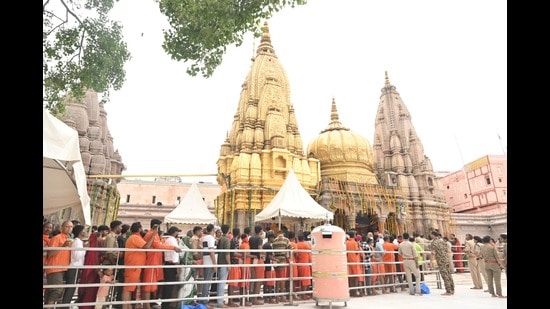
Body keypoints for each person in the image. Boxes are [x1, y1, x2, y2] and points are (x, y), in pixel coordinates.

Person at [142, 219, 183, 309]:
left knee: (151, 284)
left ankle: (148, 304)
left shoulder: (154, 234)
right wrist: (173, 247)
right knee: (148, 284)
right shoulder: (152, 234)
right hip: (152, 261)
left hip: (154, 261)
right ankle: (146, 305)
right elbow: (157, 246)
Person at [122, 222, 155, 309]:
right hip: (133, 266)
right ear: (139, 229)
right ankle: (125, 307)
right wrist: (153, 235)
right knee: (128, 288)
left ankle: (127, 306)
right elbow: (146, 246)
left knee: (129, 288)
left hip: (135, 265)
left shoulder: (135, 237)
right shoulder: (135, 237)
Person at [44, 220, 74, 305]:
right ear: (62, 227)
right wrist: (63, 246)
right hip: (54, 267)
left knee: (52, 291)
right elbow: (50, 253)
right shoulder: (57, 238)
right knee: (56, 290)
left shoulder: (69, 239)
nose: (69, 228)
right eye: (67, 226)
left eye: (71, 227)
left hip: (63, 268)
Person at [62, 224, 87, 304]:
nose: (85, 232)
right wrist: (84, 250)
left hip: (76, 267)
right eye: (84, 230)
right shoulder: (77, 242)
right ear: (80, 232)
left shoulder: (79, 242)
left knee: (72, 288)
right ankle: (65, 305)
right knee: (70, 288)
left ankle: (66, 304)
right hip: (74, 267)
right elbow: (76, 256)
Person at [162, 226, 182, 309]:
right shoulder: (173, 240)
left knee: (167, 286)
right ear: (174, 232)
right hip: (171, 265)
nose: (178, 234)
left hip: (167, 263)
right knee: (169, 286)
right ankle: (166, 305)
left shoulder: (167, 240)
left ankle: (165, 304)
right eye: (177, 232)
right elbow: (175, 255)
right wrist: (177, 268)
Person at [429, 230, 455, 295]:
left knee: (444, 275)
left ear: (432, 235)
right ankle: (452, 289)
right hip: (446, 259)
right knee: (449, 274)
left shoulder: (434, 243)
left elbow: (433, 253)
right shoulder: (442, 241)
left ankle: (448, 290)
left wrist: (431, 262)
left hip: (440, 260)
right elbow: (447, 250)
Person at [198, 223, 217, 305]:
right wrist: (215, 264)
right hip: (210, 262)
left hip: (206, 261)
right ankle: (204, 300)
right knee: (207, 281)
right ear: (212, 230)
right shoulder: (211, 238)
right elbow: (211, 251)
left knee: (206, 281)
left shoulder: (204, 238)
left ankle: (203, 299)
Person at [271, 229, 292, 303]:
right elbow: (290, 249)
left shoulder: (274, 241)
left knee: (277, 280)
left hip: (276, 261)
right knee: (282, 280)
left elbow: (272, 250)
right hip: (283, 260)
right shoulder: (286, 240)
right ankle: (282, 296)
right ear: (283, 234)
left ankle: (277, 297)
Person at [248, 225, 265, 305]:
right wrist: (263, 253)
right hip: (258, 259)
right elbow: (259, 248)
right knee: (258, 280)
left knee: (253, 280)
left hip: (252, 259)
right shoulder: (259, 239)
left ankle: (251, 297)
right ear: (260, 231)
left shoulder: (251, 238)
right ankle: (255, 299)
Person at [216, 224, 231, 308]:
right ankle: (220, 302)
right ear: (228, 230)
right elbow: (227, 253)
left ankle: (219, 300)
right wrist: (229, 264)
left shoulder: (220, 239)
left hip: (219, 261)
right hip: (224, 263)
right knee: (222, 282)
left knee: (220, 282)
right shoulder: (226, 240)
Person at [346, 230, 365, 297]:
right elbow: (357, 252)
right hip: (356, 261)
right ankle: (358, 292)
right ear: (354, 236)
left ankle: (352, 292)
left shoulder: (346, 242)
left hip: (349, 261)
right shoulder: (355, 243)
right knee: (358, 277)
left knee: (351, 277)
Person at [227, 227, 242, 307]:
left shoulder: (232, 240)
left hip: (233, 262)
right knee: (232, 283)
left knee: (232, 283)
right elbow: (234, 253)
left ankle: (231, 300)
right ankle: (230, 301)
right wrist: (243, 255)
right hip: (234, 262)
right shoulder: (235, 241)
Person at [295, 233, 312, 299]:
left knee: (300, 280)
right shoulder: (306, 245)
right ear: (304, 238)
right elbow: (310, 251)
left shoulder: (296, 245)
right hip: (305, 264)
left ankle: (300, 293)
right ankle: (303, 294)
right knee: (305, 280)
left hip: (298, 264)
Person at [262, 231, 277, 304]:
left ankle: (265, 298)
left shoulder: (264, 245)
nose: (274, 239)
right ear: (270, 238)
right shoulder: (269, 246)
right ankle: (270, 298)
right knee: (270, 283)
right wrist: (276, 259)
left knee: (265, 282)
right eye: (273, 238)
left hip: (265, 265)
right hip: (269, 265)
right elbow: (270, 256)